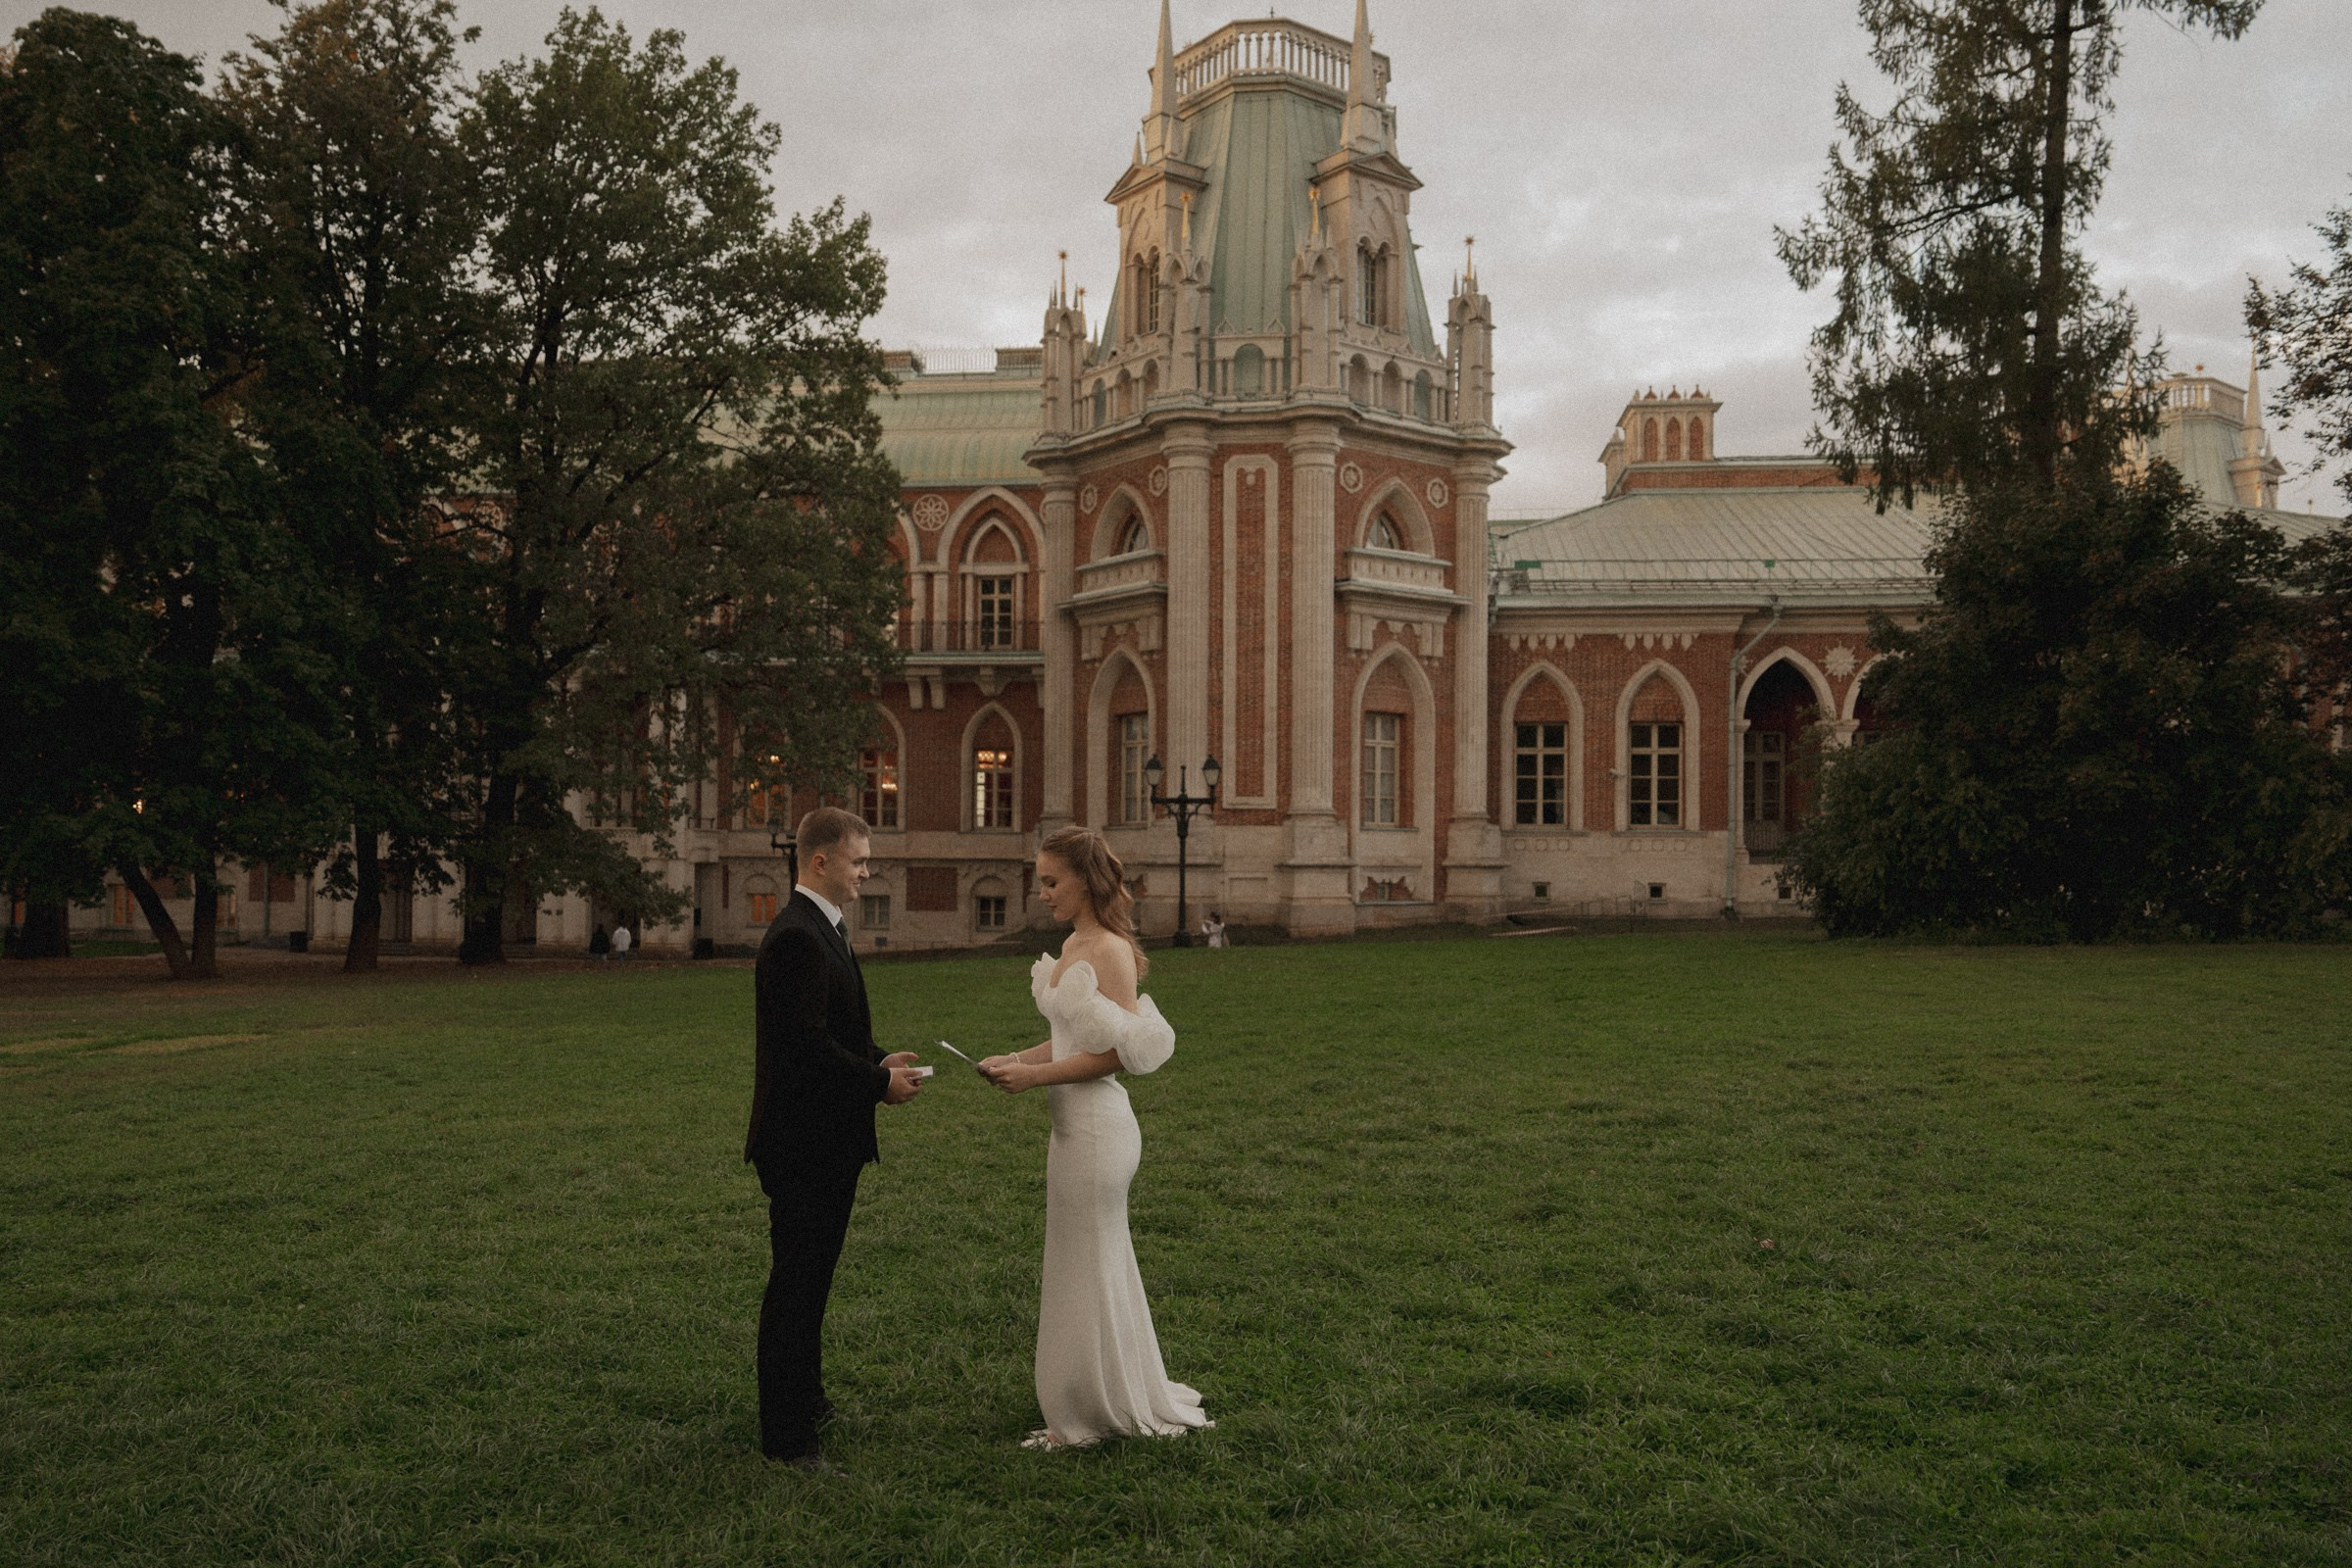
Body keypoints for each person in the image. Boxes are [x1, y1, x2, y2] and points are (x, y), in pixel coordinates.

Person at [979, 826, 1209, 1448]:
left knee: (1087, 1268)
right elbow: (1068, 1037)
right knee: (1082, 1265)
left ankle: (1083, 1415)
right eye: (1040, 881)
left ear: (1085, 880)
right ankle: (1095, 1395)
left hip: (1100, 1132)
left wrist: (1032, 1079)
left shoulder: (1107, 950)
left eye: (1052, 881)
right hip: (1071, 1132)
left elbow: (1113, 1055)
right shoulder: (1073, 943)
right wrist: (1015, 1057)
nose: (1042, 892)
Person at [743, 807, 925, 1474]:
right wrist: (876, 1086)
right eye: (858, 861)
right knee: (796, 1284)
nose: (866, 872)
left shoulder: (822, 929)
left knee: (812, 1280)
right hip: (802, 1145)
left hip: (826, 1139)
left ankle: (807, 1401)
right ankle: (789, 1441)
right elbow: (805, 1049)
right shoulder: (797, 935)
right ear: (821, 861)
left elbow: (835, 1034)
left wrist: (880, 1061)